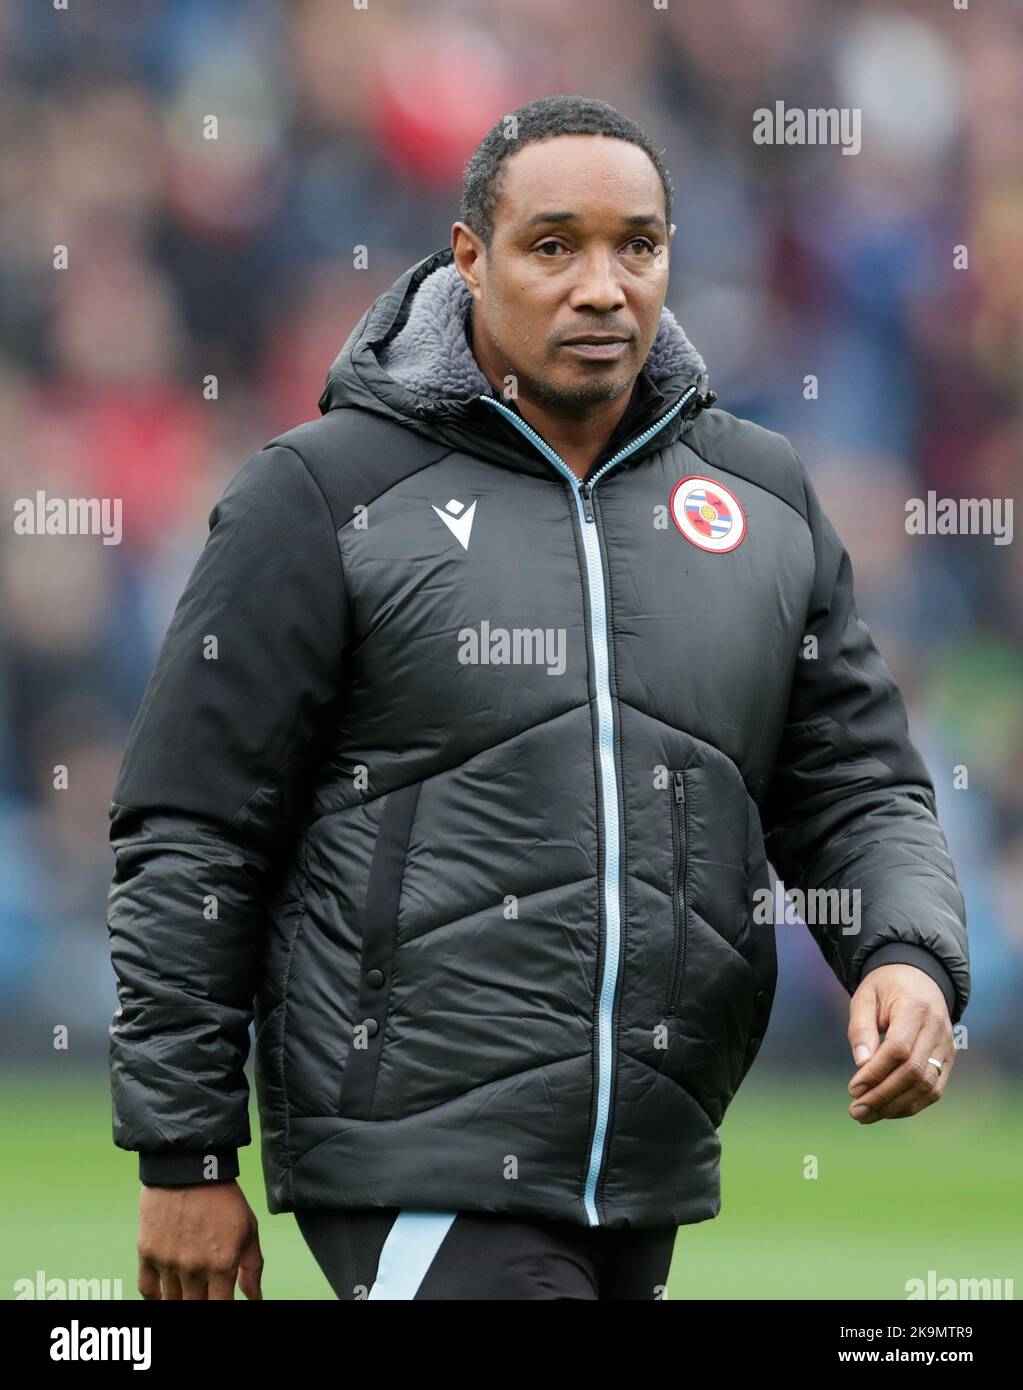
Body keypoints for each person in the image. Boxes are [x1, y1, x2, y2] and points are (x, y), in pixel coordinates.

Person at [106, 95, 970, 1301]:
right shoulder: (319, 493)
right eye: (554, 245)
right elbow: (194, 828)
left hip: (648, 1165)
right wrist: (185, 1150)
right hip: (415, 1155)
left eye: (640, 246)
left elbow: (860, 784)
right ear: (470, 260)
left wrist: (907, 953)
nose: (604, 286)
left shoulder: (762, 501)